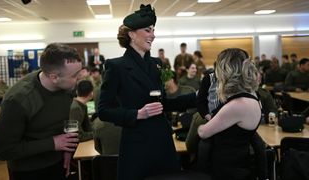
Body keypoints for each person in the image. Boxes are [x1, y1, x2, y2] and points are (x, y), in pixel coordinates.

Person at [98, 4, 196, 180]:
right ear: (132, 34)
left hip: (162, 139)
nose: (153, 35)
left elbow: (162, 104)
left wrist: (196, 97)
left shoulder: (156, 63)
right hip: (137, 143)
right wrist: (137, 114)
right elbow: (103, 110)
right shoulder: (116, 66)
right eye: (147, 30)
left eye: (153, 30)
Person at [0, 43, 81, 180]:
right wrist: (53, 143)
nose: (79, 79)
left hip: (59, 163)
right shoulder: (18, 100)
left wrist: (68, 150)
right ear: (54, 77)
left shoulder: (67, 87)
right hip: (28, 171)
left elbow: (66, 119)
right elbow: (3, 151)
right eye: (74, 75)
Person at [198, 48, 261, 180]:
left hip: (228, 171)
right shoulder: (252, 98)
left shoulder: (237, 105)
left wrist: (200, 126)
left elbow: (204, 132)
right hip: (239, 165)